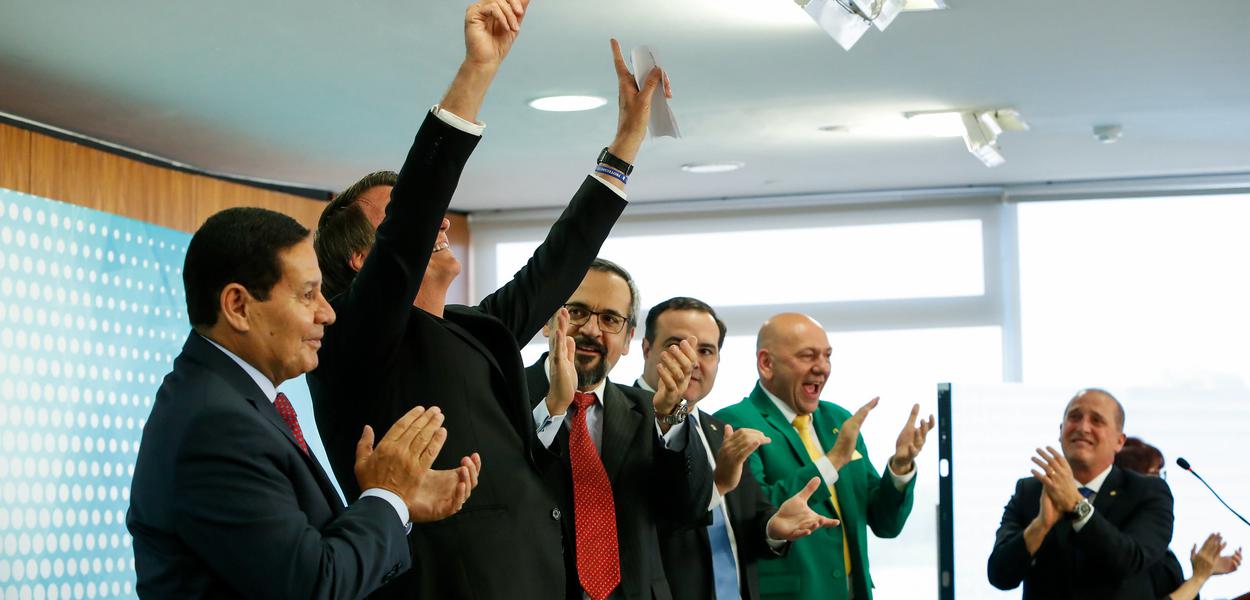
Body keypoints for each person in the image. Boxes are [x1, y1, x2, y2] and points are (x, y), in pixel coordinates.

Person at [307, 0, 673, 597]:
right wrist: (477, 71)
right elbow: (417, 210)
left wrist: (626, 144)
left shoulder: (473, 328)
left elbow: (554, 269)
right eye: (399, 215)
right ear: (361, 261)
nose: (440, 222)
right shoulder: (353, 339)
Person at [127, 207, 479, 599]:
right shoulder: (216, 424)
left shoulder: (229, 403)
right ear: (238, 306)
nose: (327, 313)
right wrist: (387, 496)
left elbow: (300, 556)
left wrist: (395, 505)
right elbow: (313, 585)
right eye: (308, 294)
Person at [527, 260, 714, 600]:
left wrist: (672, 413)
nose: (592, 331)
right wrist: (552, 409)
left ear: (628, 339)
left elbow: (690, 508)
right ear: (547, 320)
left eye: (610, 320)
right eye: (578, 312)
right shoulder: (502, 392)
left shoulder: (648, 409)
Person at [714, 312, 933, 600]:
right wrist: (832, 462)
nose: (822, 368)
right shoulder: (735, 422)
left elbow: (885, 523)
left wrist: (900, 467)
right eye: (808, 356)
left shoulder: (839, 420)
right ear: (767, 364)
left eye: (827, 356)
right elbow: (759, 517)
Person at [639, 297, 838, 600]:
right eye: (677, 345)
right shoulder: (619, 419)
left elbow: (751, 521)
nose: (692, 361)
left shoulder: (718, 430)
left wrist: (773, 527)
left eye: (706, 350)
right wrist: (715, 486)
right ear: (646, 349)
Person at [988, 388, 1175, 599]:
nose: (1083, 427)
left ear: (1119, 441)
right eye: (1074, 417)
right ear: (1060, 431)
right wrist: (1040, 526)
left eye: (1097, 420)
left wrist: (1078, 505)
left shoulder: (1147, 492)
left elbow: (1129, 561)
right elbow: (999, 575)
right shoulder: (1030, 491)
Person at [1115, 437, 1243, 600]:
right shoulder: (1128, 547)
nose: (1161, 483)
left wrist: (1204, 572)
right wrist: (1198, 578)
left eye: (1162, 474)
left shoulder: (1154, 542)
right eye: (1155, 473)